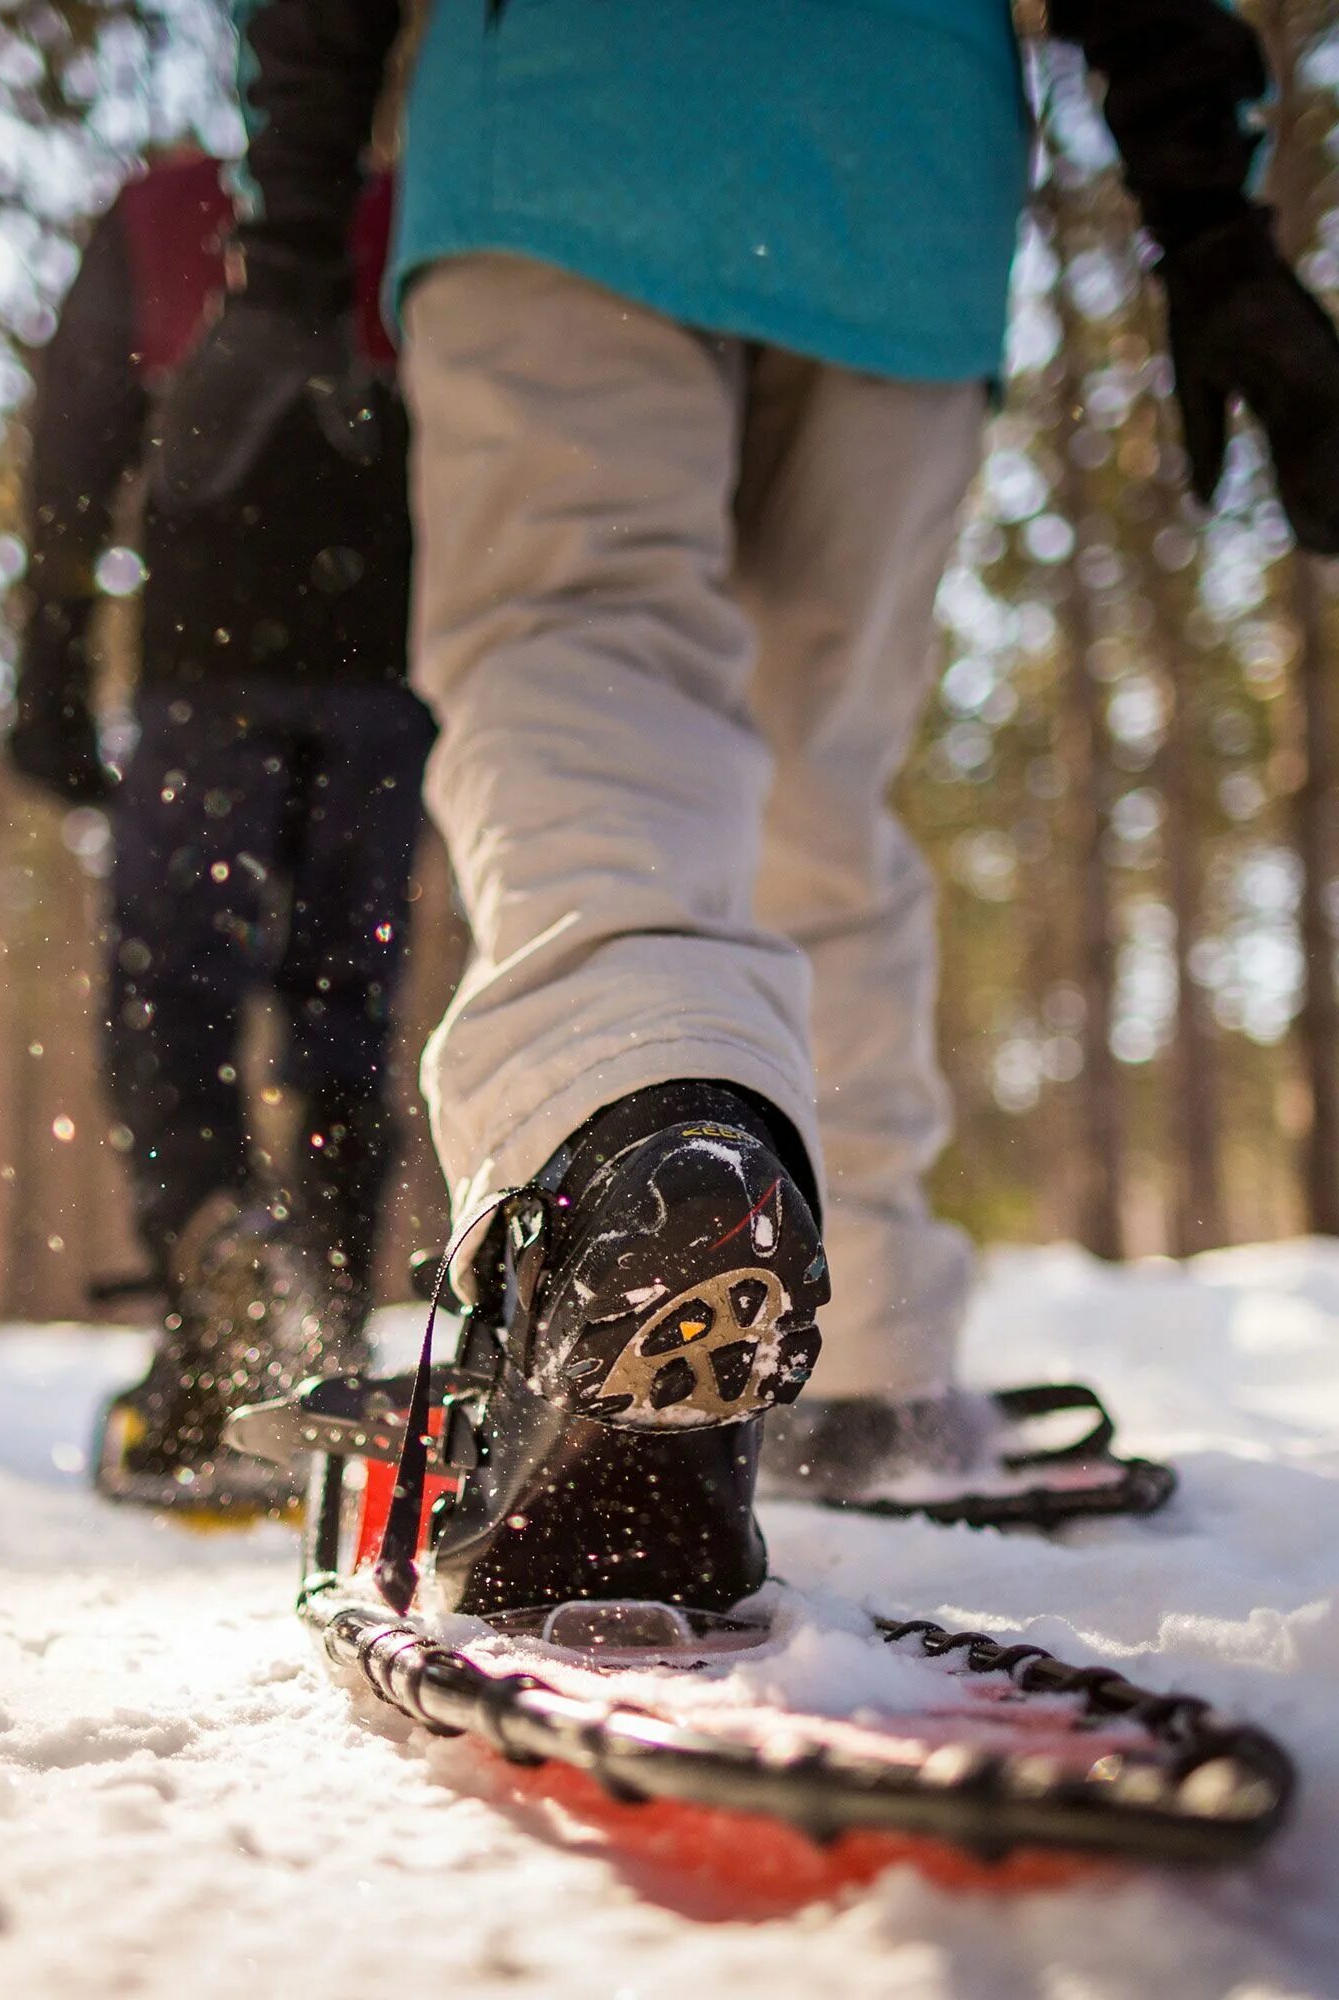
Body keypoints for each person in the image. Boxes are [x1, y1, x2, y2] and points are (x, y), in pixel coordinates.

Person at [157, 0, 1339, 1608]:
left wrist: (291, 238)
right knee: (818, 767)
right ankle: (869, 1366)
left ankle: (638, 1171)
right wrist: (1211, 226)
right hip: (900, 178)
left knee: (579, 648)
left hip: (569, 126)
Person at [9, 150, 431, 1510]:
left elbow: (75, 452)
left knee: (170, 997)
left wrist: (54, 673)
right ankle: (318, 1345)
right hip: (384, 682)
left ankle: (214, 1287)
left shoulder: (166, 211)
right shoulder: (424, 208)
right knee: (344, 1012)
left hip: (204, 673)